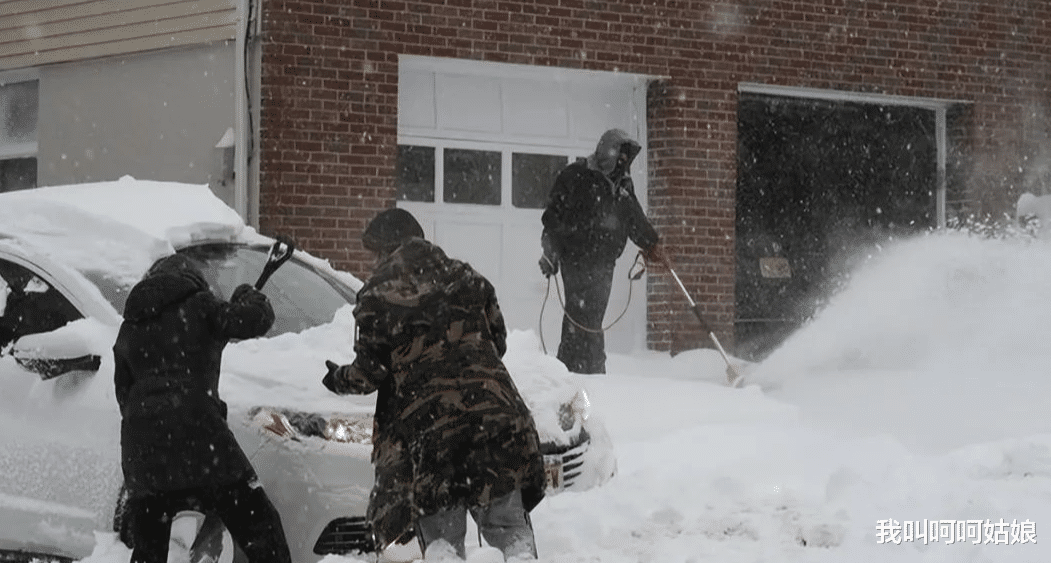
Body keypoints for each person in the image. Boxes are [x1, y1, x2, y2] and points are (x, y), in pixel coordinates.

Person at [323, 208, 546, 561]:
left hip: (431, 434)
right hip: (497, 421)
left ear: (386, 248)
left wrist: (337, 379)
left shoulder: (377, 294)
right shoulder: (468, 277)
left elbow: (370, 373)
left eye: (375, 254)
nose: (374, 263)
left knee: (443, 539)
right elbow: (497, 343)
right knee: (509, 529)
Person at [113, 254, 292, 563]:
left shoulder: (130, 327)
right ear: (192, 281)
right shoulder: (200, 305)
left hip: (142, 454)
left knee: (149, 551)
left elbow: (124, 396)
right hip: (200, 441)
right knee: (260, 526)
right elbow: (256, 319)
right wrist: (248, 295)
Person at [540, 128, 666, 374]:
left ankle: (580, 368)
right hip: (575, 258)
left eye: (626, 159)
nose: (622, 163)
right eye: (620, 156)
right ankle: (583, 367)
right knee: (580, 313)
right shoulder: (575, 176)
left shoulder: (623, 186)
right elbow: (552, 218)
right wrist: (550, 252)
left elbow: (635, 219)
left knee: (593, 314)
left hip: (605, 261)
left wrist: (652, 243)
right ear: (608, 152)